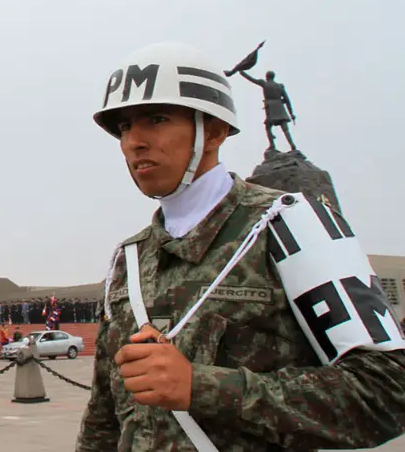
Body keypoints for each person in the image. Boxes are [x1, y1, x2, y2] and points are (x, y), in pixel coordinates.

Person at [76, 42, 405, 451]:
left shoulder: (289, 223)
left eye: (156, 119)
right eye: (124, 128)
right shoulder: (128, 259)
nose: (134, 142)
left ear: (213, 130)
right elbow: (104, 417)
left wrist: (204, 386)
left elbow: (389, 389)